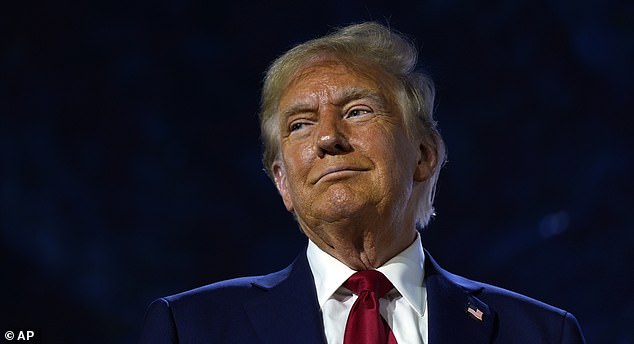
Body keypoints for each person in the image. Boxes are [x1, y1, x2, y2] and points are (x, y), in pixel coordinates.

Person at [139, 22, 586, 343]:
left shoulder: (541, 333)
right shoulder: (190, 327)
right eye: (299, 125)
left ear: (424, 155)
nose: (329, 137)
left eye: (357, 112)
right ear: (283, 183)